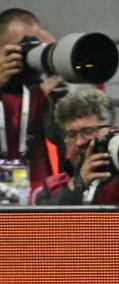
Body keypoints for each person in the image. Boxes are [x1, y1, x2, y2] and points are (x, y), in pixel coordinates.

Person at [0, 8, 62, 204]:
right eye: (23, 48)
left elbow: (68, 141)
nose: (29, 55)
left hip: (39, 202)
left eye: (35, 47)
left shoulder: (44, 93)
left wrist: (56, 60)